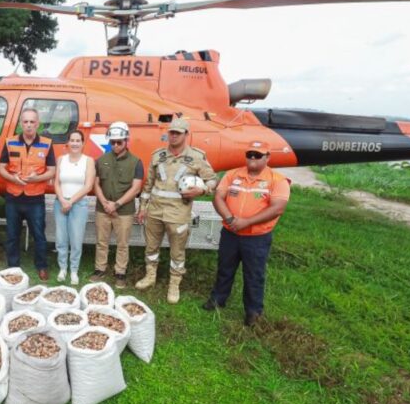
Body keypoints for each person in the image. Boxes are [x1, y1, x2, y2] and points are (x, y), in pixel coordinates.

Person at [203, 141, 290, 326]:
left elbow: (277, 208)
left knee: (254, 274)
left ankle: (253, 312)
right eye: (249, 154)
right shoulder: (233, 174)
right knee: (224, 268)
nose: (252, 158)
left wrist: (246, 222)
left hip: (257, 238)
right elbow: (218, 197)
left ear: (268, 157)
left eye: (258, 155)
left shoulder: (278, 180)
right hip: (230, 233)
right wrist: (229, 218)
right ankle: (218, 299)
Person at [136, 118, 217, 303]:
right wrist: (142, 207)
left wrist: (202, 189)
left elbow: (212, 179)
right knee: (151, 246)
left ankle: (174, 284)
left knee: (177, 251)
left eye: (178, 133)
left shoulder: (196, 156)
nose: (173, 136)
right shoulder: (157, 155)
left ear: (186, 134)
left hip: (178, 213)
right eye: (171, 132)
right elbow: (148, 185)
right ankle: (150, 276)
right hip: (155, 211)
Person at [0, 108, 56, 281]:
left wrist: (37, 178)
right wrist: (12, 179)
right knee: (12, 234)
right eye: (25, 122)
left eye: (32, 122)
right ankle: (13, 267)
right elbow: (1, 168)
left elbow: (52, 171)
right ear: (21, 123)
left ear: (37, 124)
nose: (29, 125)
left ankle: (42, 266)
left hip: (35, 198)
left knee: (39, 235)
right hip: (13, 197)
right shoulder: (10, 142)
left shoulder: (46, 143)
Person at [90, 122, 144, 288]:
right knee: (101, 241)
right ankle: (100, 269)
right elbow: (95, 184)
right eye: (112, 142)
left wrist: (117, 204)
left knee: (122, 244)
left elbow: (136, 188)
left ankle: (120, 272)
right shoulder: (101, 160)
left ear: (126, 141)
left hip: (124, 211)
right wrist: (105, 203)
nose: (115, 145)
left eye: (119, 142)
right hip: (103, 209)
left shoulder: (136, 162)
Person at [53, 130, 96, 285]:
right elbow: (56, 182)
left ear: (83, 143)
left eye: (78, 140)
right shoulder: (61, 159)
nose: (75, 143)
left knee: (76, 240)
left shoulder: (88, 161)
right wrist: (63, 200)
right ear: (68, 143)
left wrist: (70, 202)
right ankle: (63, 268)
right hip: (60, 203)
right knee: (61, 238)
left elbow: (88, 186)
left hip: (78, 204)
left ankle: (74, 270)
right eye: (72, 140)